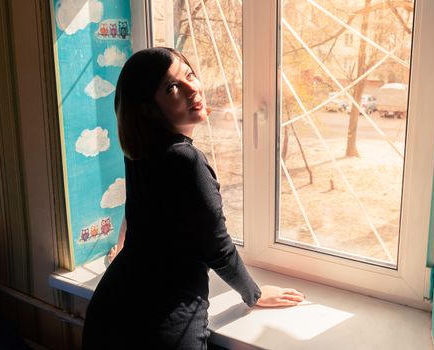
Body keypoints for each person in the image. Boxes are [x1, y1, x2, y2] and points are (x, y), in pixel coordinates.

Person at [82, 47, 304, 350]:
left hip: (111, 310)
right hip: (161, 323)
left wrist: (121, 247)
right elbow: (217, 246)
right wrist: (254, 294)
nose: (192, 89)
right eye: (172, 87)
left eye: (189, 75)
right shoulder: (186, 160)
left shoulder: (140, 153)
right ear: (148, 108)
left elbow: (141, 215)